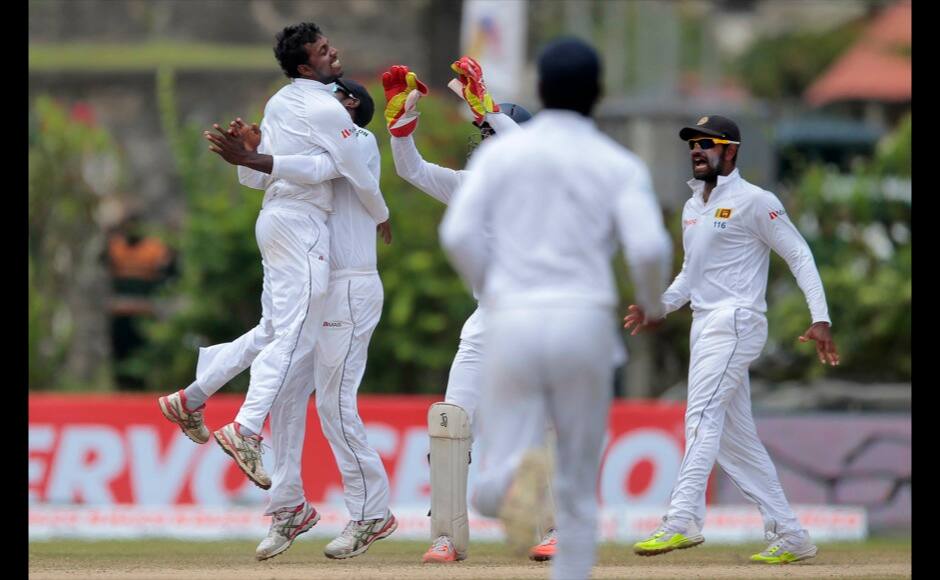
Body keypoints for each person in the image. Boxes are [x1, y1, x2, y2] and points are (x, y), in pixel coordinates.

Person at [439, 38, 672, 580]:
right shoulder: (616, 163)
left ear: (540, 90)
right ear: (599, 94)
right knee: (575, 480)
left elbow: (458, 233)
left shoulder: (502, 156)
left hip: (513, 320)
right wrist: (654, 301)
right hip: (584, 320)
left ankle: (499, 489)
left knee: (500, 459)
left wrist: (492, 289)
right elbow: (649, 248)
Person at [158, 20, 387, 530]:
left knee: (271, 332)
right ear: (309, 69)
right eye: (325, 50)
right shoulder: (327, 110)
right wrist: (383, 213)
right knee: (291, 334)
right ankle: (245, 430)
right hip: (302, 229)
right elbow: (345, 170)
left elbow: (259, 175)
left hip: (279, 224)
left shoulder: (282, 105)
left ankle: (191, 397)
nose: (335, 53)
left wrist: (255, 154)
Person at [624, 114, 840, 565]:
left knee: (700, 415)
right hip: (707, 325)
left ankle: (681, 520)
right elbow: (690, 276)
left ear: (731, 150)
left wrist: (820, 317)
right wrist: (657, 306)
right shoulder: (692, 207)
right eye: (692, 144)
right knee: (733, 440)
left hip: (738, 320)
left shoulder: (755, 201)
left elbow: (798, 253)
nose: (697, 150)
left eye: (707, 143)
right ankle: (792, 534)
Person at [382, 59, 556, 564]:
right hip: (485, 323)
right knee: (450, 424)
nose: (482, 142)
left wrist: (490, 110)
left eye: (488, 132)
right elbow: (410, 170)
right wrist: (399, 131)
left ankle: (556, 527)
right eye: (480, 133)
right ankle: (446, 536)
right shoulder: (469, 188)